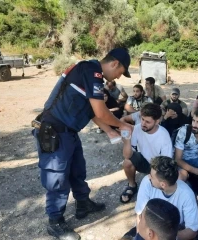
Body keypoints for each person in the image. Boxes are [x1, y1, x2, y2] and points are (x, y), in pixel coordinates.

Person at [33, 48, 133, 240]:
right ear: (114, 64)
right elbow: (101, 112)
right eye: (120, 72)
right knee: (58, 178)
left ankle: (83, 203)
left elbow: (94, 112)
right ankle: (55, 222)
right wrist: (122, 125)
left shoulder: (92, 75)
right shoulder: (90, 71)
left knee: (77, 170)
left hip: (68, 132)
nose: (119, 77)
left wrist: (111, 130)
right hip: (54, 131)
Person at [134, 156, 198, 240]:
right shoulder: (147, 182)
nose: (149, 177)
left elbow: (192, 231)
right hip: (148, 231)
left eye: (152, 176)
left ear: (163, 185)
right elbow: (139, 215)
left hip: (174, 233)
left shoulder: (187, 195)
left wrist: (166, 237)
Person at [121, 103, 172, 203]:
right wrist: (127, 140)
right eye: (142, 119)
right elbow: (127, 155)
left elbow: (167, 162)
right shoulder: (137, 128)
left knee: (155, 195)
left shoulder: (163, 135)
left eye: (148, 122)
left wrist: (154, 175)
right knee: (127, 162)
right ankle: (132, 185)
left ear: (157, 121)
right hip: (144, 160)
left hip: (159, 165)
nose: (143, 124)